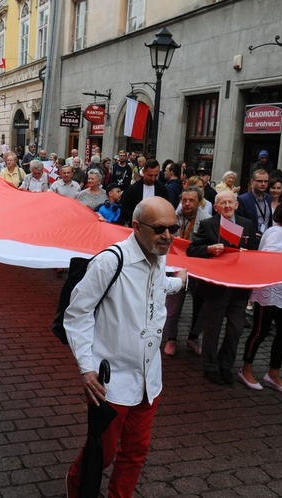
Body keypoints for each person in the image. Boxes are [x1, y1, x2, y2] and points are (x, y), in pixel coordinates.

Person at [64, 197, 186, 498]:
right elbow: (77, 314)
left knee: (136, 452)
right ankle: (76, 486)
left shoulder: (161, 256)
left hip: (149, 381)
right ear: (136, 227)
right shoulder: (109, 261)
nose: (168, 236)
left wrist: (177, 283)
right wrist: (87, 368)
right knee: (101, 455)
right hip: (111, 382)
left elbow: (154, 288)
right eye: (159, 229)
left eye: (174, 228)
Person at [238, 193, 282, 393]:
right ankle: (246, 369)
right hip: (270, 291)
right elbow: (268, 260)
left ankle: (273, 372)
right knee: (260, 331)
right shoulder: (276, 232)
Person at [187, 191, 258, 385]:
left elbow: (255, 253)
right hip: (216, 287)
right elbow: (191, 250)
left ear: (236, 205)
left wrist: (247, 254)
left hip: (239, 286)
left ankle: (225, 363)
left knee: (235, 329)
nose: (227, 206)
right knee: (213, 328)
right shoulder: (208, 224)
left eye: (230, 202)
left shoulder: (248, 224)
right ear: (216, 207)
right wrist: (208, 250)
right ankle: (210, 366)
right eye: (222, 203)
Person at [163, 186, 210, 356]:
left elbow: (207, 246)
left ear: (199, 202)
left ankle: (193, 337)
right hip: (176, 267)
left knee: (201, 306)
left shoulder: (207, 220)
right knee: (173, 307)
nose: (187, 203)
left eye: (192, 200)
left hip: (198, 269)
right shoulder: (172, 217)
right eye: (184, 200)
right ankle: (171, 339)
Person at [119, 159, 169, 226]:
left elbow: (166, 208)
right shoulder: (133, 189)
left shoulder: (162, 189)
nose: (153, 178)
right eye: (150, 175)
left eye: (156, 175)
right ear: (143, 172)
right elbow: (125, 209)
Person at [237, 168, 272, 240]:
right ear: (252, 182)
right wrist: (250, 234)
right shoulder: (243, 199)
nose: (263, 184)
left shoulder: (268, 198)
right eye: (260, 181)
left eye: (266, 181)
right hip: (250, 240)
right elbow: (238, 222)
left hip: (266, 239)